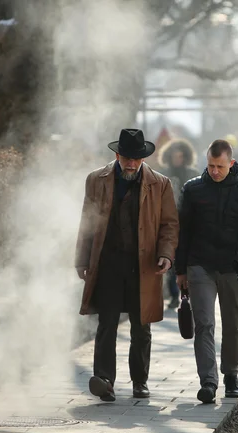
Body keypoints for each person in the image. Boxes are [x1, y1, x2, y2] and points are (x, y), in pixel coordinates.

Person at [75, 128, 179, 402]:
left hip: (143, 266)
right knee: (106, 324)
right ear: (117, 155)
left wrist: (166, 255)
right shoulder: (96, 180)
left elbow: (169, 225)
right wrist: (81, 259)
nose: (131, 163)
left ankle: (140, 382)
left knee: (141, 326)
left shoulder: (161, 184)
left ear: (143, 158)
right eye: (127, 158)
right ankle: (105, 379)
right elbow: (87, 222)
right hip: (108, 264)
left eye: (136, 159)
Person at [175, 139, 238, 403]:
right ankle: (208, 381)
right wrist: (180, 270)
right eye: (210, 165)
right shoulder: (193, 189)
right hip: (199, 267)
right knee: (204, 324)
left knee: (233, 326)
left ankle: (230, 374)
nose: (214, 171)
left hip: (233, 268)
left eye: (219, 166)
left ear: (231, 163)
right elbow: (182, 232)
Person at [157, 138, 200, 309]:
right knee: (169, 259)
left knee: (188, 260)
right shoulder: (162, 174)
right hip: (168, 223)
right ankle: (174, 294)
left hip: (188, 223)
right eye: (175, 156)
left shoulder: (192, 174)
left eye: (180, 156)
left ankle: (186, 293)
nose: (178, 159)